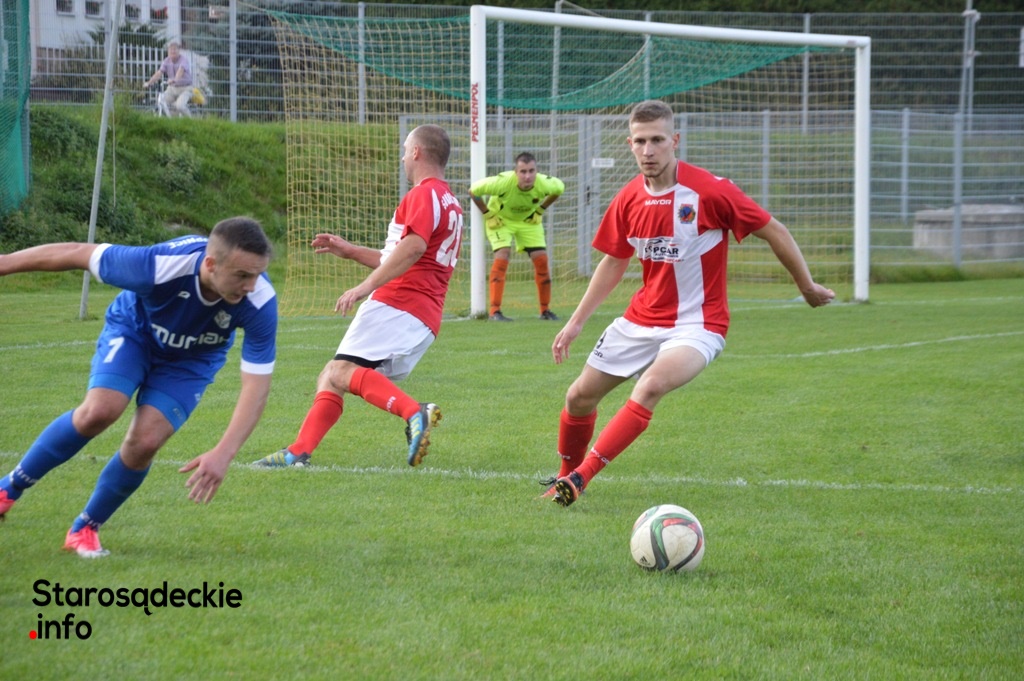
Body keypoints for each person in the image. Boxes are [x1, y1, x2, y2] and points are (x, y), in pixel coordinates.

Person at [544, 100, 835, 507]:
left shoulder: (710, 191)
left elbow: (774, 230)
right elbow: (614, 260)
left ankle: (580, 478)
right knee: (578, 397)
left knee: (650, 386)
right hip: (640, 320)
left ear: (675, 140)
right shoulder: (628, 198)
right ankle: (562, 477)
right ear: (630, 144)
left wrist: (806, 286)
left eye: (657, 140)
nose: (648, 151)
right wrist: (576, 322)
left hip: (698, 324)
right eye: (640, 142)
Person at [0, 217, 278, 556]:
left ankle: (85, 528)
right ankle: (8, 490)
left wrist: (224, 453)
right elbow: (77, 252)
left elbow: (256, 387)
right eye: (242, 275)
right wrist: (4, 264)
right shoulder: (158, 265)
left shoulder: (260, 300)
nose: (251, 285)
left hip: (192, 360)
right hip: (135, 333)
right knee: (99, 412)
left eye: (258, 274)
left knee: (146, 441)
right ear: (210, 264)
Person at [253, 124, 463, 469]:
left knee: (339, 371)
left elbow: (413, 248)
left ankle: (414, 412)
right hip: (421, 311)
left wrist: (364, 287)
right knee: (332, 374)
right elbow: (399, 256)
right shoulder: (448, 200)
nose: (402, 158)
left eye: (405, 150)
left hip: (399, 302)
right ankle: (298, 452)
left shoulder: (423, 194)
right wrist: (350, 251)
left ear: (416, 152)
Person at [469, 152, 564, 321]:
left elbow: (559, 190)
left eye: (531, 171)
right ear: (516, 172)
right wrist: (487, 213)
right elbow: (473, 191)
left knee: (542, 260)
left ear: (536, 171)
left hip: (528, 221)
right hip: (501, 221)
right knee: (503, 255)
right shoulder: (503, 182)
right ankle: (495, 312)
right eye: (523, 171)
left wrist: (540, 209)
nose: (527, 176)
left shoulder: (545, 183)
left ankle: (545, 311)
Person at [143, 40, 193, 118]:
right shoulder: (166, 61)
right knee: (162, 103)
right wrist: (149, 82)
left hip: (185, 88)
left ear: (179, 51)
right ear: (168, 51)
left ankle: (191, 121)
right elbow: (159, 73)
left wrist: (174, 80)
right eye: (171, 50)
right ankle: (173, 120)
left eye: (175, 49)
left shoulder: (183, 60)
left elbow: (180, 71)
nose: (173, 52)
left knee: (180, 106)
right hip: (172, 88)